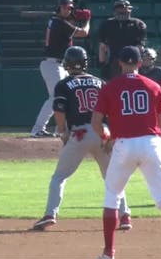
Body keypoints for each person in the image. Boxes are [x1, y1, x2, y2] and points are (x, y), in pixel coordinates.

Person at [92, 46, 161, 259]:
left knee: (112, 196)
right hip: (151, 143)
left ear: (119, 62)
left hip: (123, 145)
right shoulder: (153, 85)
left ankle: (108, 253)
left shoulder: (110, 87)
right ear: (140, 63)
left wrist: (107, 137)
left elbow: (96, 122)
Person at [32, 46, 132, 232]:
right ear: (86, 62)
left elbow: (59, 110)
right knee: (112, 177)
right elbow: (114, 112)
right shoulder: (100, 82)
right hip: (103, 133)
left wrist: (62, 131)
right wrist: (112, 136)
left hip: (80, 134)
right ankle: (124, 215)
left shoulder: (63, 84)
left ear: (66, 63)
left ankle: (50, 214)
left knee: (59, 177)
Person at [30, 0, 91, 137]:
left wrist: (75, 16)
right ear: (59, 8)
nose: (67, 10)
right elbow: (83, 33)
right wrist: (87, 20)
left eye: (69, 8)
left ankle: (60, 128)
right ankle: (38, 128)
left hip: (59, 65)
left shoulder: (57, 21)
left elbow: (69, 23)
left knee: (63, 96)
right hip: (52, 64)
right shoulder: (59, 23)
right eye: (64, 7)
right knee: (55, 97)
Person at [98, 0, 147, 81]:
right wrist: (103, 64)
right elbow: (102, 47)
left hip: (132, 62)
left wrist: (138, 64)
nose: (121, 11)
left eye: (124, 9)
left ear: (130, 10)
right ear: (115, 11)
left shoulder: (138, 24)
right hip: (115, 62)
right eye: (119, 9)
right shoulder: (106, 24)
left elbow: (140, 47)